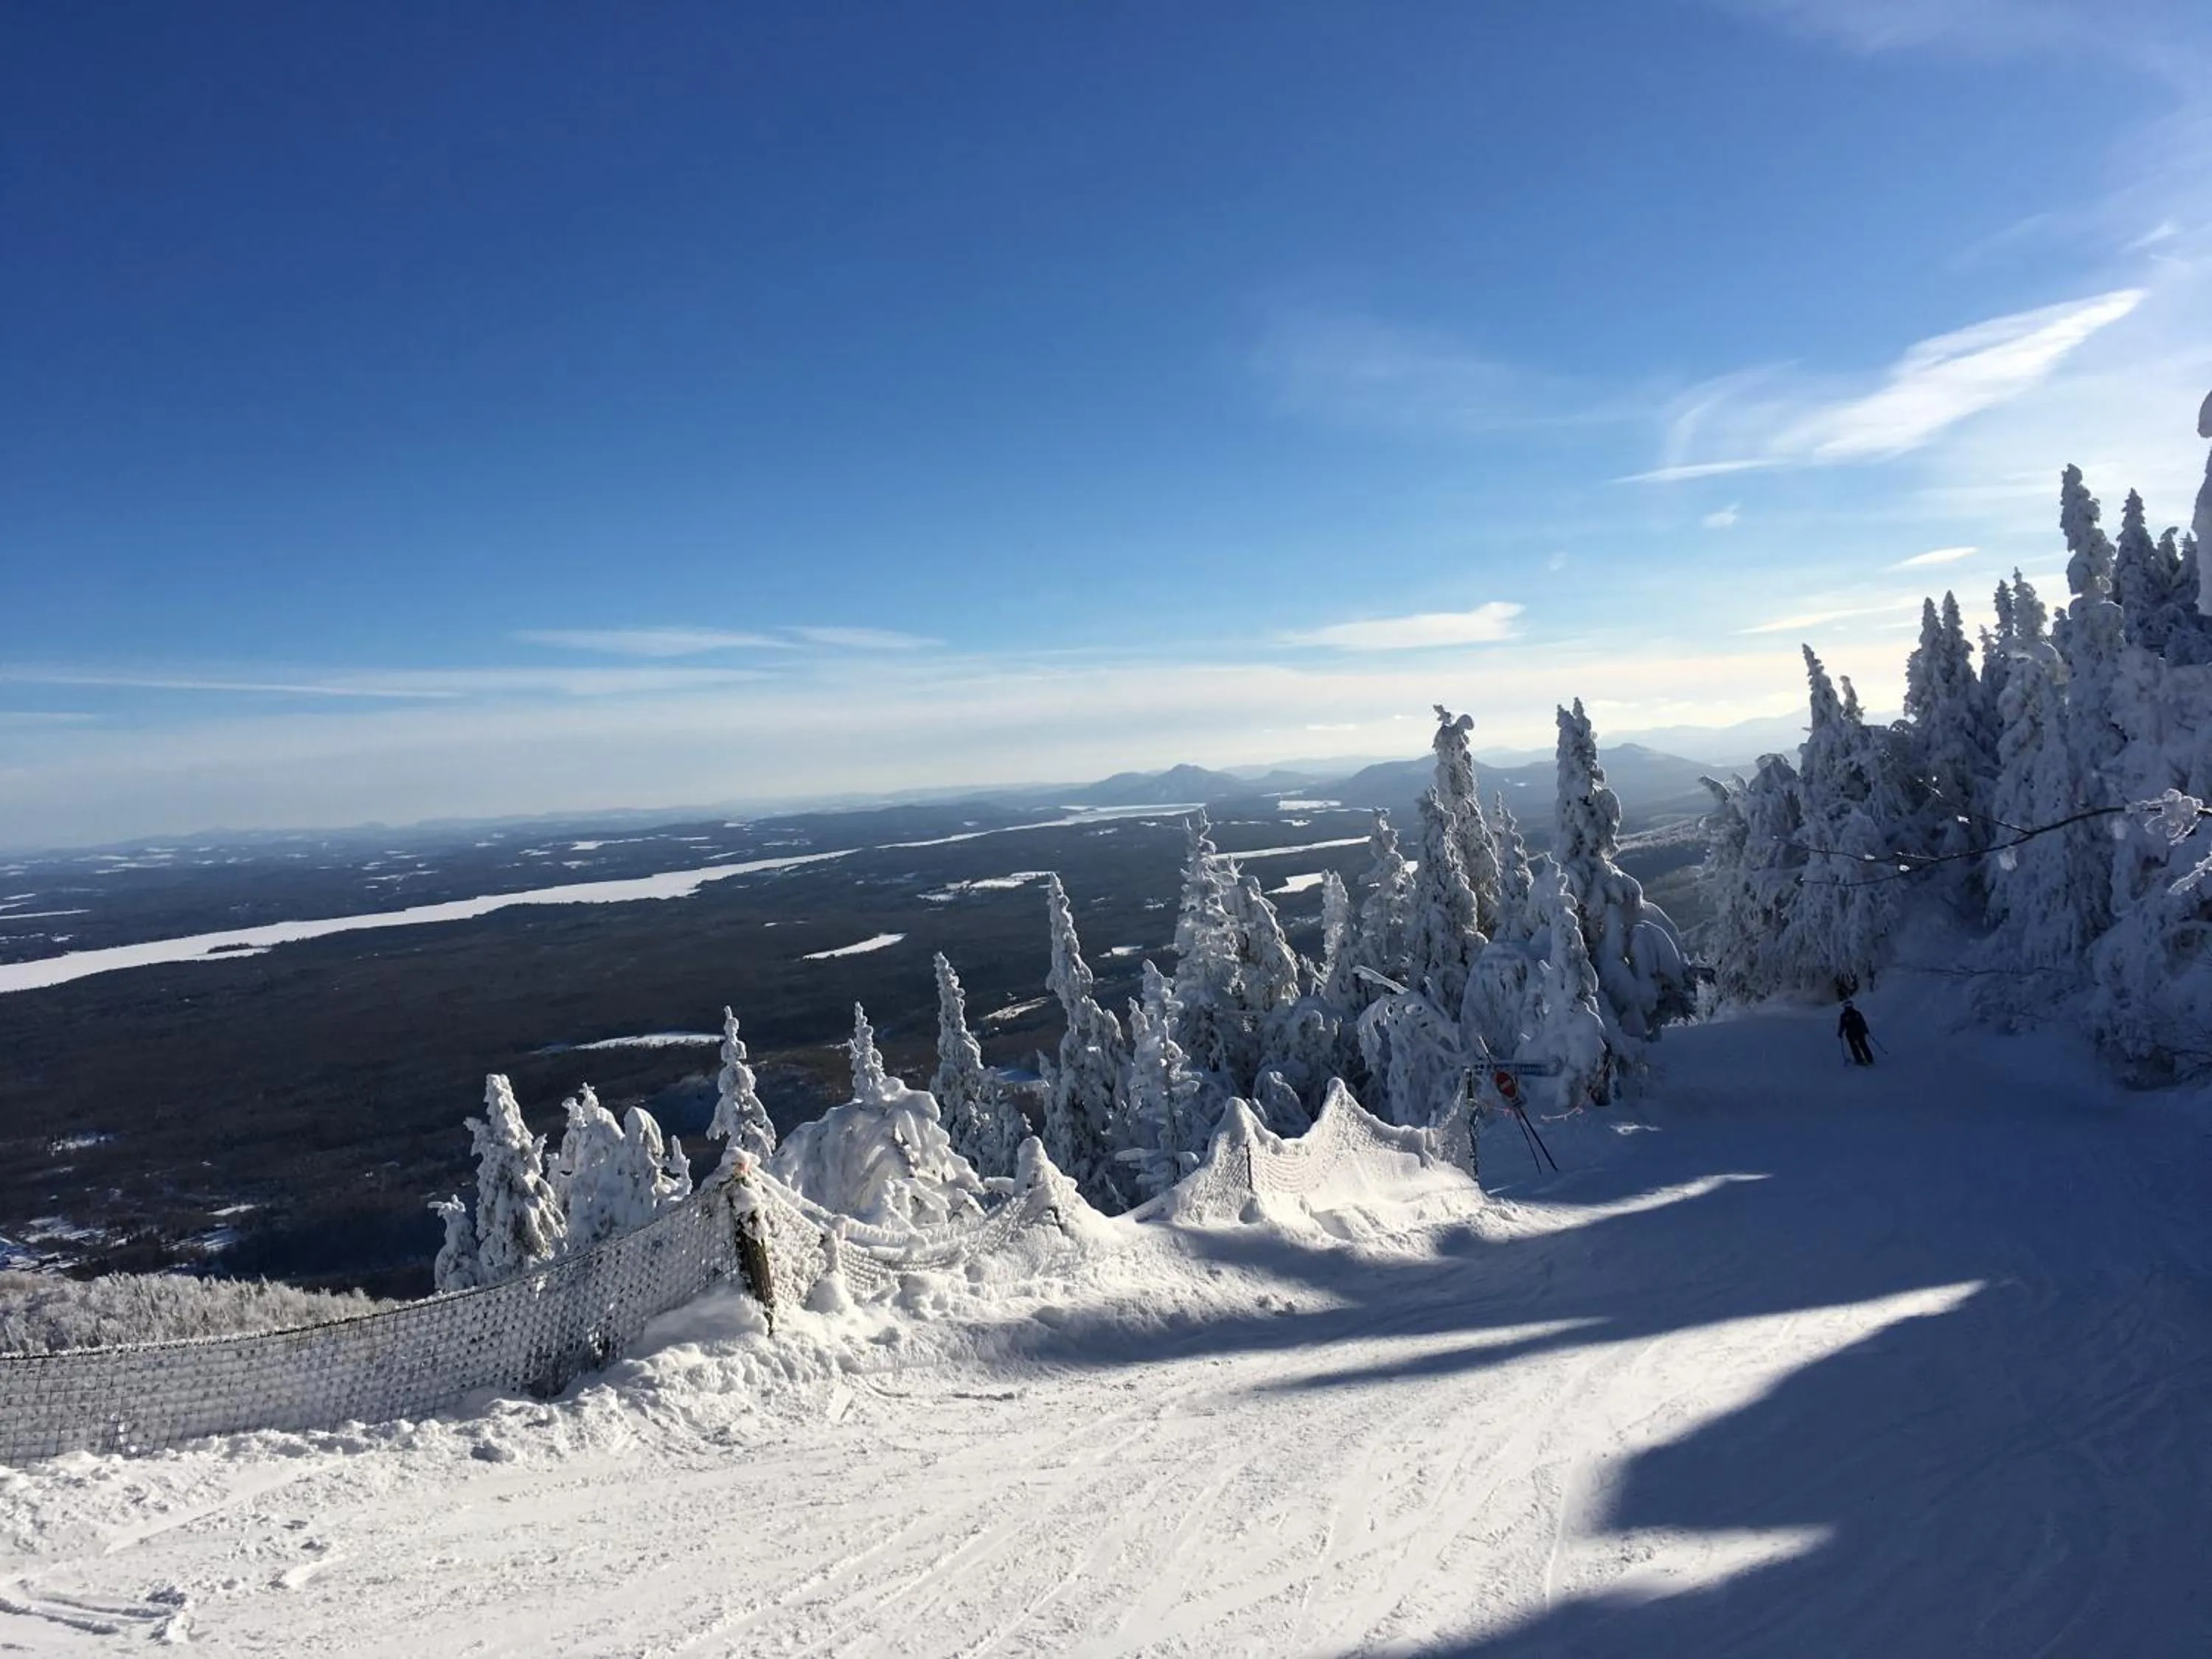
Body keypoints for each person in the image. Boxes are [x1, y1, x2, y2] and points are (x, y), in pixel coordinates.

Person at [1838, 1000, 1874, 1066]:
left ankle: (1860, 1060)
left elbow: (1842, 1025)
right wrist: (1865, 1030)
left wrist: (1840, 1033)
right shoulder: (1856, 1013)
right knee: (1862, 1045)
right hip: (1858, 1033)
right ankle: (1869, 1059)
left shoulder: (1844, 1015)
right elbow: (1862, 1022)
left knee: (1855, 1047)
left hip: (1851, 1034)